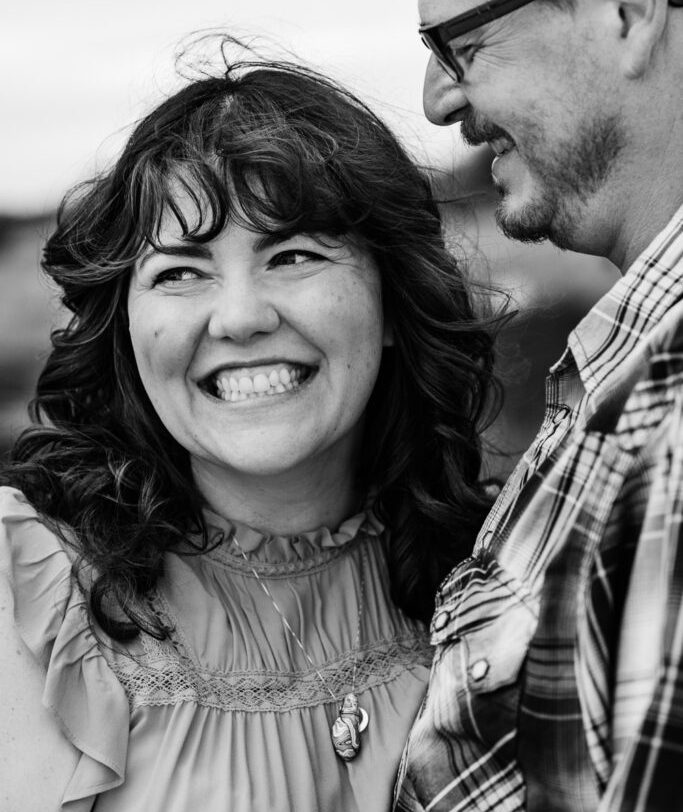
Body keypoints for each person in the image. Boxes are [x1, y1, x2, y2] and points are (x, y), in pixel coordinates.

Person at [0, 42, 499, 812]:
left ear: (391, 301)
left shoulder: (505, 572)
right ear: (127, 332)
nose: (238, 318)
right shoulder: (30, 593)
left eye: (293, 255)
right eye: (178, 273)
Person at [392, 0, 683, 811]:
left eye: (460, 44)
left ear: (622, 7)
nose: (437, 100)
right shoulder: (623, 380)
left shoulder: (670, 423)